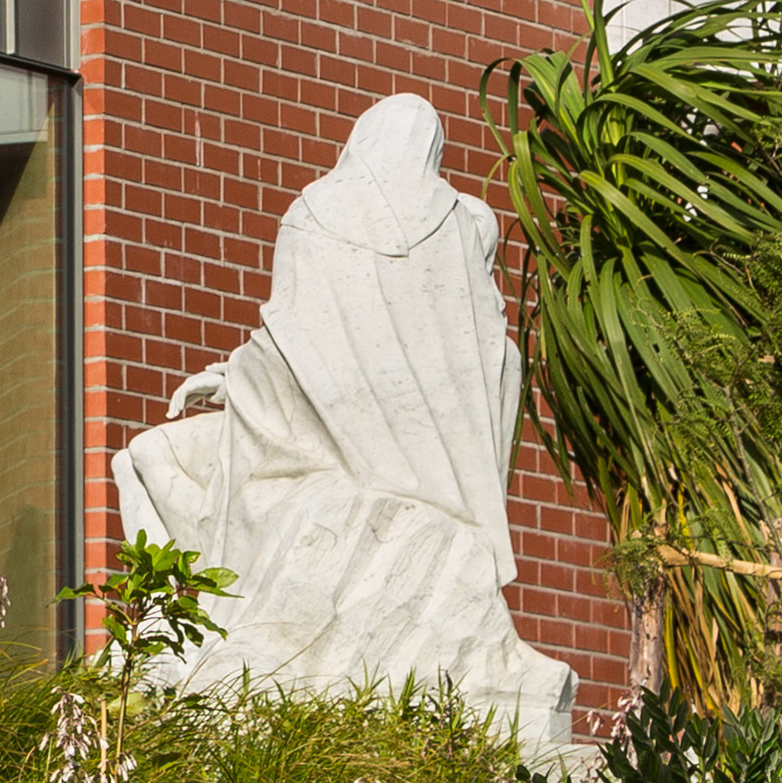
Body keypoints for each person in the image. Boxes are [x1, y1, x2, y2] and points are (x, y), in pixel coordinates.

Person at [112, 94, 577, 759]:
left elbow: (290, 343)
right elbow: (482, 353)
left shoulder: (317, 212)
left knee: (147, 455)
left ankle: (168, 637)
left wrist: (235, 378)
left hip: (297, 460)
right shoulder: (466, 225)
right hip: (388, 467)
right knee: (145, 457)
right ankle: (160, 638)